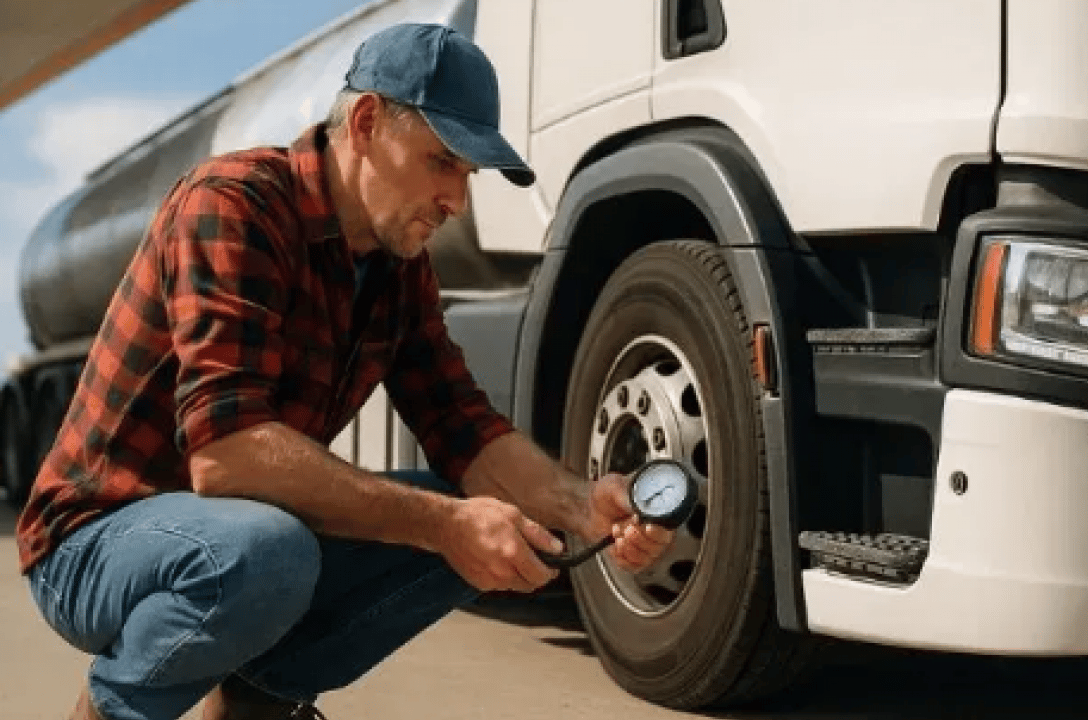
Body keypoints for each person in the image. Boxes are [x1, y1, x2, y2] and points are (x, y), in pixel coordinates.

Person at [16, 23, 674, 720]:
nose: (457, 200)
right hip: (93, 540)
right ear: (365, 123)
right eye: (442, 161)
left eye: (468, 175)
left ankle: (257, 702)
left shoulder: (398, 270)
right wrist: (443, 523)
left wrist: (580, 506)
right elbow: (226, 456)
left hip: (233, 535)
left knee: (471, 516)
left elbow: (464, 428)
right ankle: (113, 710)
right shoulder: (234, 204)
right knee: (275, 551)